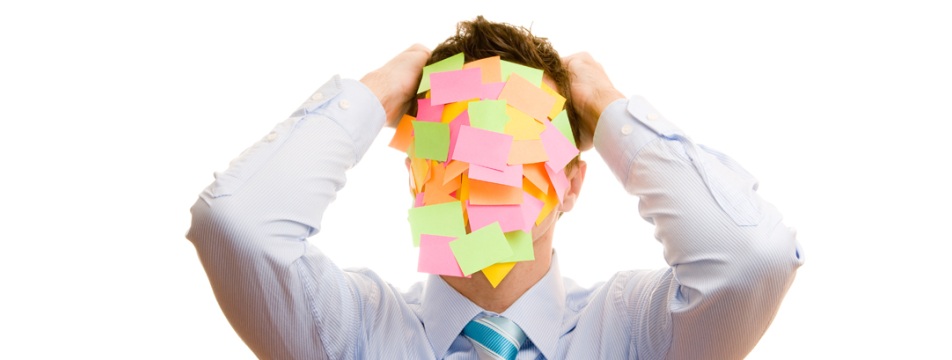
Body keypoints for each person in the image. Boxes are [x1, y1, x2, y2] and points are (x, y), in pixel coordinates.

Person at [187, 16, 802, 359]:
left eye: (516, 142)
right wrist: (380, 92)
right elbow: (237, 224)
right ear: (414, 175)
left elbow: (751, 257)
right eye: (453, 145)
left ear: (572, 183)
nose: (483, 166)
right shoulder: (346, 332)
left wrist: (607, 107)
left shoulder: (638, 332)